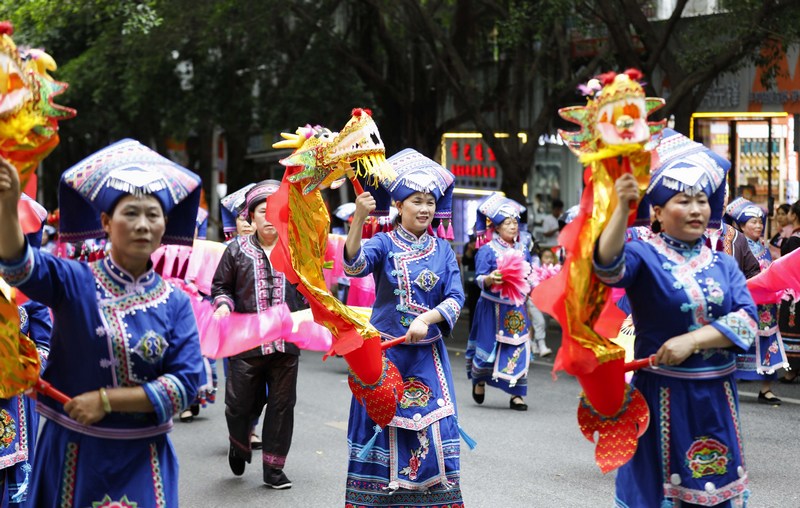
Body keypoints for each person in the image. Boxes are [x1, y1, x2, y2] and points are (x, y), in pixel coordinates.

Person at [0, 139, 204, 506]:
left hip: (145, 460)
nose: (143, 225)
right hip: (73, 454)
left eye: (153, 215)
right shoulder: (72, 280)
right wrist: (6, 205)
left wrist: (107, 401)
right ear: (106, 223)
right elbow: (19, 265)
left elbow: (186, 384)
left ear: (165, 225)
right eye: (130, 213)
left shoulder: (175, 302)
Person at [595, 131, 757, 507]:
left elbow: (748, 321)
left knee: (711, 492)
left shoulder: (723, 264)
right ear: (656, 211)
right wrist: (621, 208)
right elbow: (607, 267)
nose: (697, 209)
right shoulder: (643, 256)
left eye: (702, 200)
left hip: (715, 399)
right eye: (683, 200)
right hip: (659, 397)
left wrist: (694, 341)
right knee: (655, 495)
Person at [343, 148, 467, 508]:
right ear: (399, 205)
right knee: (380, 426)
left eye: (430, 201)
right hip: (385, 354)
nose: (425, 208)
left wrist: (426, 318)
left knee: (434, 426)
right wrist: (358, 219)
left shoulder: (444, 250)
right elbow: (354, 267)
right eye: (417, 201)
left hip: (427, 356)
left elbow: (456, 298)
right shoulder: (384, 242)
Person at [211, 179, 306, 489]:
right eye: (264, 211)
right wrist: (224, 305)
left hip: (285, 346)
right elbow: (221, 287)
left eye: (276, 211)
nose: (270, 217)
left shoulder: (295, 250)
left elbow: (309, 289)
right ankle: (238, 445)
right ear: (251, 216)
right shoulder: (235, 250)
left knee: (282, 406)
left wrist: (311, 315)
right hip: (246, 344)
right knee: (238, 406)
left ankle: (274, 470)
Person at [0, 198, 52, 507]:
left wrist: (30, 369)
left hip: (18, 394)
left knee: (18, 477)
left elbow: (44, 342)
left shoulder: (30, 285)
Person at [466, 193, 533, 410]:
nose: (513, 226)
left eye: (515, 222)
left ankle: (517, 394)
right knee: (488, 346)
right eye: (507, 223)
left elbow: (529, 273)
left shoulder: (523, 249)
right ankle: (480, 380)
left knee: (517, 345)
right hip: (491, 307)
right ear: (496, 227)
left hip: (515, 307)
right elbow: (479, 277)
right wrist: (489, 278)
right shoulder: (487, 250)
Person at [724, 197, 787, 405]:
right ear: (741, 225)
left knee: (767, 342)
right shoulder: (735, 242)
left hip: (766, 304)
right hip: (746, 302)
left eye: (760, 221)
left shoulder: (763, 246)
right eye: (753, 221)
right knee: (738, 340)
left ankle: (766, 388)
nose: (758, 225)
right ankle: (728, 382)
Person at [778, 199, 800, 383]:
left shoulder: (794, 239)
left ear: (793, 215)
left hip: (794, 292)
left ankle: (791, 371)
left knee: (792, 327)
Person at [461, 234, 480, 328]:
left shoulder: (485, 246)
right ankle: (472, 330)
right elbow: (465, 261)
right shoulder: (468, 246)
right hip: (473, 281)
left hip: (484, 280)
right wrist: (470, 249)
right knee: (473, 308)